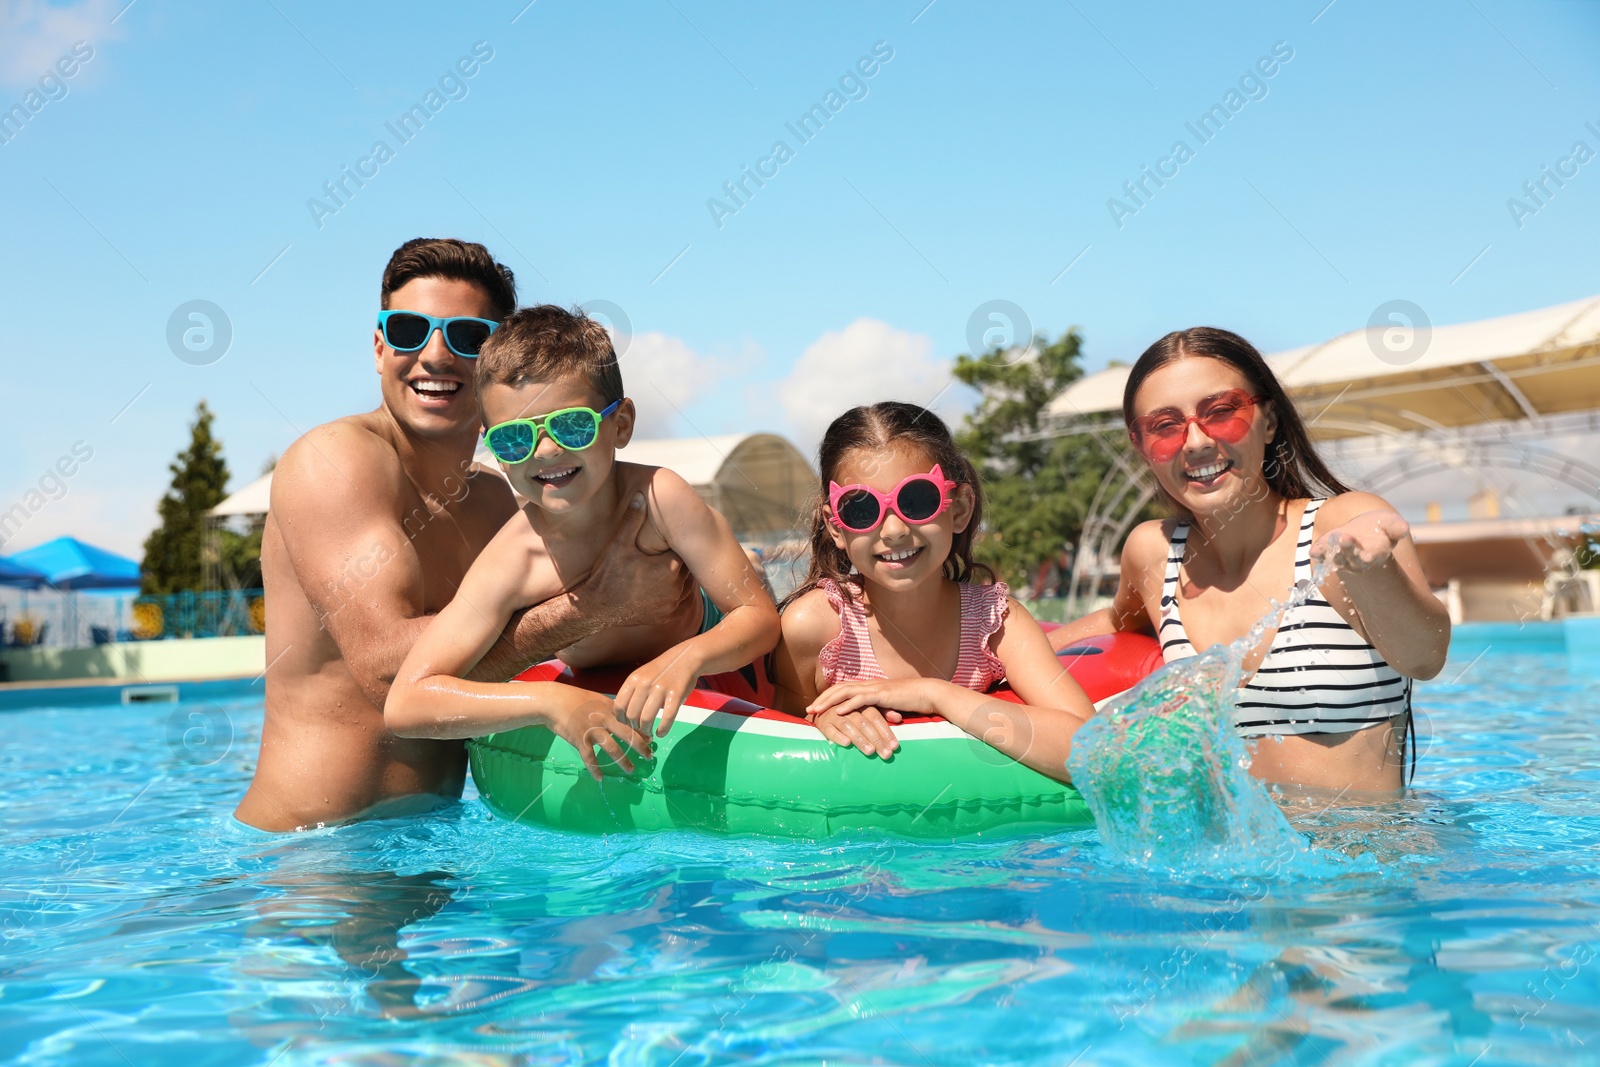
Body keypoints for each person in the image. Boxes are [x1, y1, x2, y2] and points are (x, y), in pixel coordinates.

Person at [234, 240, 698, 832]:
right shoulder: (336, 462)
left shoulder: (498, 499)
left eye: (467, 337)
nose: (433, 355)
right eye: (407, 329)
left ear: (503, 362)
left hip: (434, 847)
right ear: (379, 348)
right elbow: (385, 675)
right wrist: (593, 607)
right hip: (314, 855)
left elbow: (580, 622)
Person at [384, 306, 781, 777]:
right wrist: (550, 701)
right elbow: (406, 703)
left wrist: (687, 658)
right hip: (591, 680)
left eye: (572, 425)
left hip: (712, 657)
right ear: (492, 446)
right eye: (515, 439)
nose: (547, 450)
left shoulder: (658, 499)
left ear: (621, 424)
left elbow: (758, 618)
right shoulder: (516, 557)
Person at [1049, 327, 1450, 793]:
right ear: (1142, 448)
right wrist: (998, 655)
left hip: (1363, 857)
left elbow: (1425, 657)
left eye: (1221, 412)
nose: (1195, 441)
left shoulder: (1344, 528)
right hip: (1214, 860)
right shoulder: (1155, 552)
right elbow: (1118, 622)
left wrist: (1375, 574)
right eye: (1165, 426)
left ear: (1269, 421)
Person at [769, 402, 1095, 781]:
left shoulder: (996, 623)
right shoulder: (814, 628)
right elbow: (782, 732)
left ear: (959, 508)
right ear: (837, 526)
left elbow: (1092, 751)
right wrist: (823, 716)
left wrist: (935, 695)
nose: (892, 531)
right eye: (861, 508)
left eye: (916, 500)